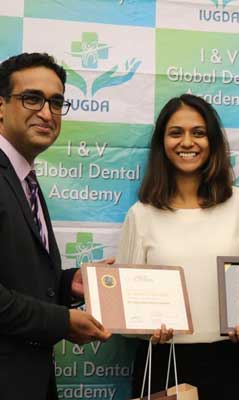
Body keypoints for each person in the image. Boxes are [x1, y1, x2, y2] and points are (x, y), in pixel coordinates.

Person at [116, 93, 239, 400]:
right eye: (176, 133)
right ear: (162, 143)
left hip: (231, 364)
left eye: (198, 132)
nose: (187, 142)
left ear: (212, 141)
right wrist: (146, 328)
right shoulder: (141, 214)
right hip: (162, 363)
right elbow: (123, 310)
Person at [0, 53, 111, 400]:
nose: (47, 113)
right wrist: (61, 322)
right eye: (32, 98)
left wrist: (67, 284)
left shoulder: (24, 178)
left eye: (56, 102)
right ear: (1, 106)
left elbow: (16, 276)